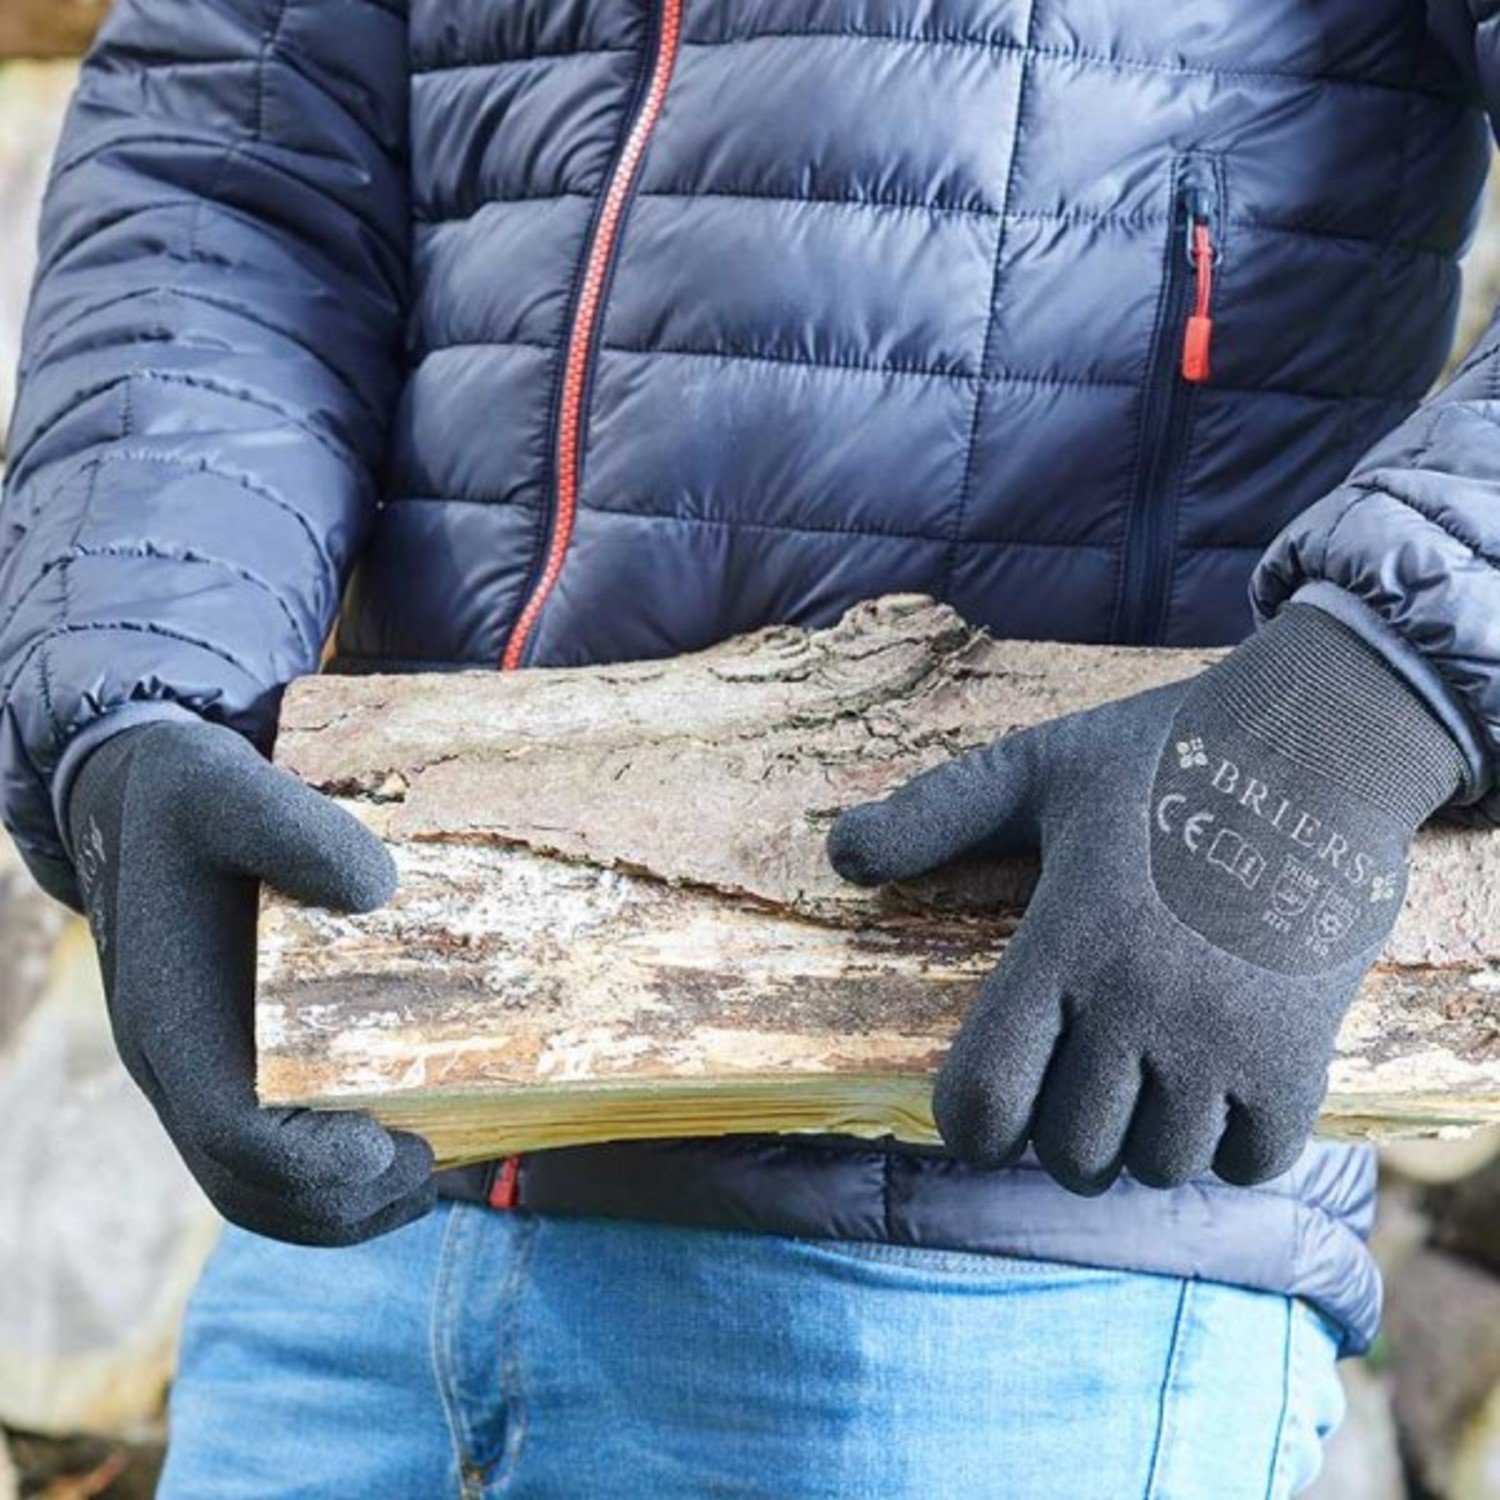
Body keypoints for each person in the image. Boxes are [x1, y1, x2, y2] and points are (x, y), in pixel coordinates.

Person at [3, 1, 1497, 1494]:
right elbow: (231, 159)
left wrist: (1349, 714)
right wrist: (136, 703)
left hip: (1006, 1276)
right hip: (368, 1213)